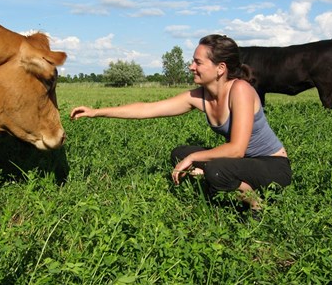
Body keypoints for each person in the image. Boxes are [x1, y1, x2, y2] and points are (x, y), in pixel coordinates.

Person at [69, 34, 291, 215]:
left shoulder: (240, 90)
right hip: (242, 162)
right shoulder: (200, 96)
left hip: (271, 166)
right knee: (179, 153)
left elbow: (236, 149)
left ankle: (257, 205)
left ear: (220, 68)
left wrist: (194, 159)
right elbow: (148, 109)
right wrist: (96, 112)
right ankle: (224, 184)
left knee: (213, 169)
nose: (191, 66)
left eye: (198, 62)